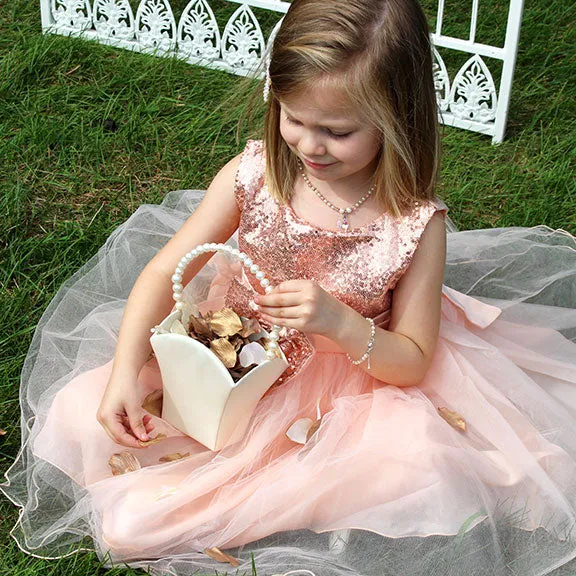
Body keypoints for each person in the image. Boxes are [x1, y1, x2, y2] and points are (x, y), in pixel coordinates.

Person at [2, 0, 576, 575]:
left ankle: (266, 488)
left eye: (338, 131)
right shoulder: (253, 175)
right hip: (225, 355)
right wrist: (126, 371)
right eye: (294, 118)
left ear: (398, 117)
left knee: (407, 462)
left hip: (341, 388)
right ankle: (225, 478)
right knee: (82, 412)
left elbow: (414, 361)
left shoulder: (414, 226)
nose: (309, 145)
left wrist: (343, 325)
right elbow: (161, 271)